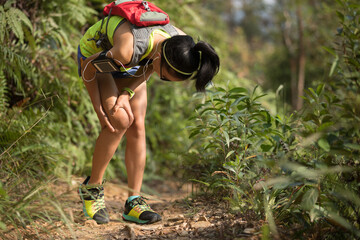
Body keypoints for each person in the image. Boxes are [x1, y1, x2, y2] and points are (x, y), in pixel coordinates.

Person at [77, 8, 220, 225]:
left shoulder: (177, 44)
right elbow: (89, 69)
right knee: (120, 121)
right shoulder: (128, 50)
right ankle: (92, 188)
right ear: (160, 57)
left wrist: (126, 93)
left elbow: (150, 68)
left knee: (137, 125)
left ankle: (134, 202)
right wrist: (99, 109)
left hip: (136, 62)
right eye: (166, 78)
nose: (164, 80)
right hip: (98, 61)